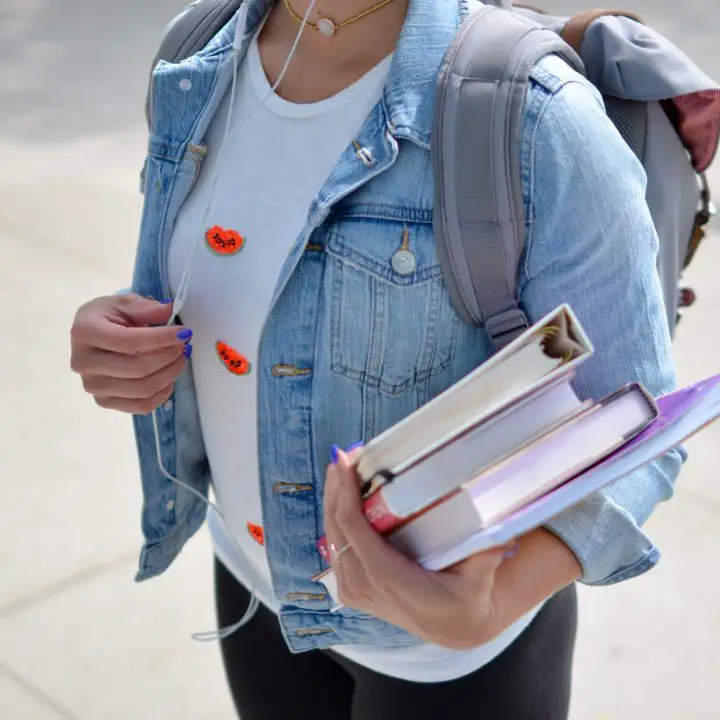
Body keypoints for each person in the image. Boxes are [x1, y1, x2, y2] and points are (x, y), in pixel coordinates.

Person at [68, 0, 683, 717]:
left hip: (450, 658)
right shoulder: (197, 51)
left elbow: (637, 423)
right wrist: (121, 333)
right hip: (253, 582)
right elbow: (233, 275)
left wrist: (492, 604)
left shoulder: (536, 117)